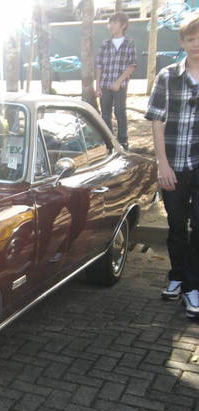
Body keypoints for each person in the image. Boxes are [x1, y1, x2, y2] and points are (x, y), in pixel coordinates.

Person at [145, 13, 199, 320]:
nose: (196, 44)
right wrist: (161, 165)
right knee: (177, 226)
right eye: (190, 39)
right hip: (175, 165)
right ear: (182, 42)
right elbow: (157, 123)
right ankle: (178, 275)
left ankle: (192, 286)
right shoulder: (168, 76)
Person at [95, 12, 136, 150]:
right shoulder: (105, 44)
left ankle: (123, 140)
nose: (111, 26)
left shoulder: (129, 43)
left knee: (120, 111)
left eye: (115, 23)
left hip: (120, 85)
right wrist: (98, 86)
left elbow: (131, 66)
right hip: (105, 84)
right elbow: (99, 65)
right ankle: (109, 141)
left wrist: (118, 82)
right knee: (105, 114)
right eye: (110, 23)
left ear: (123, 25)